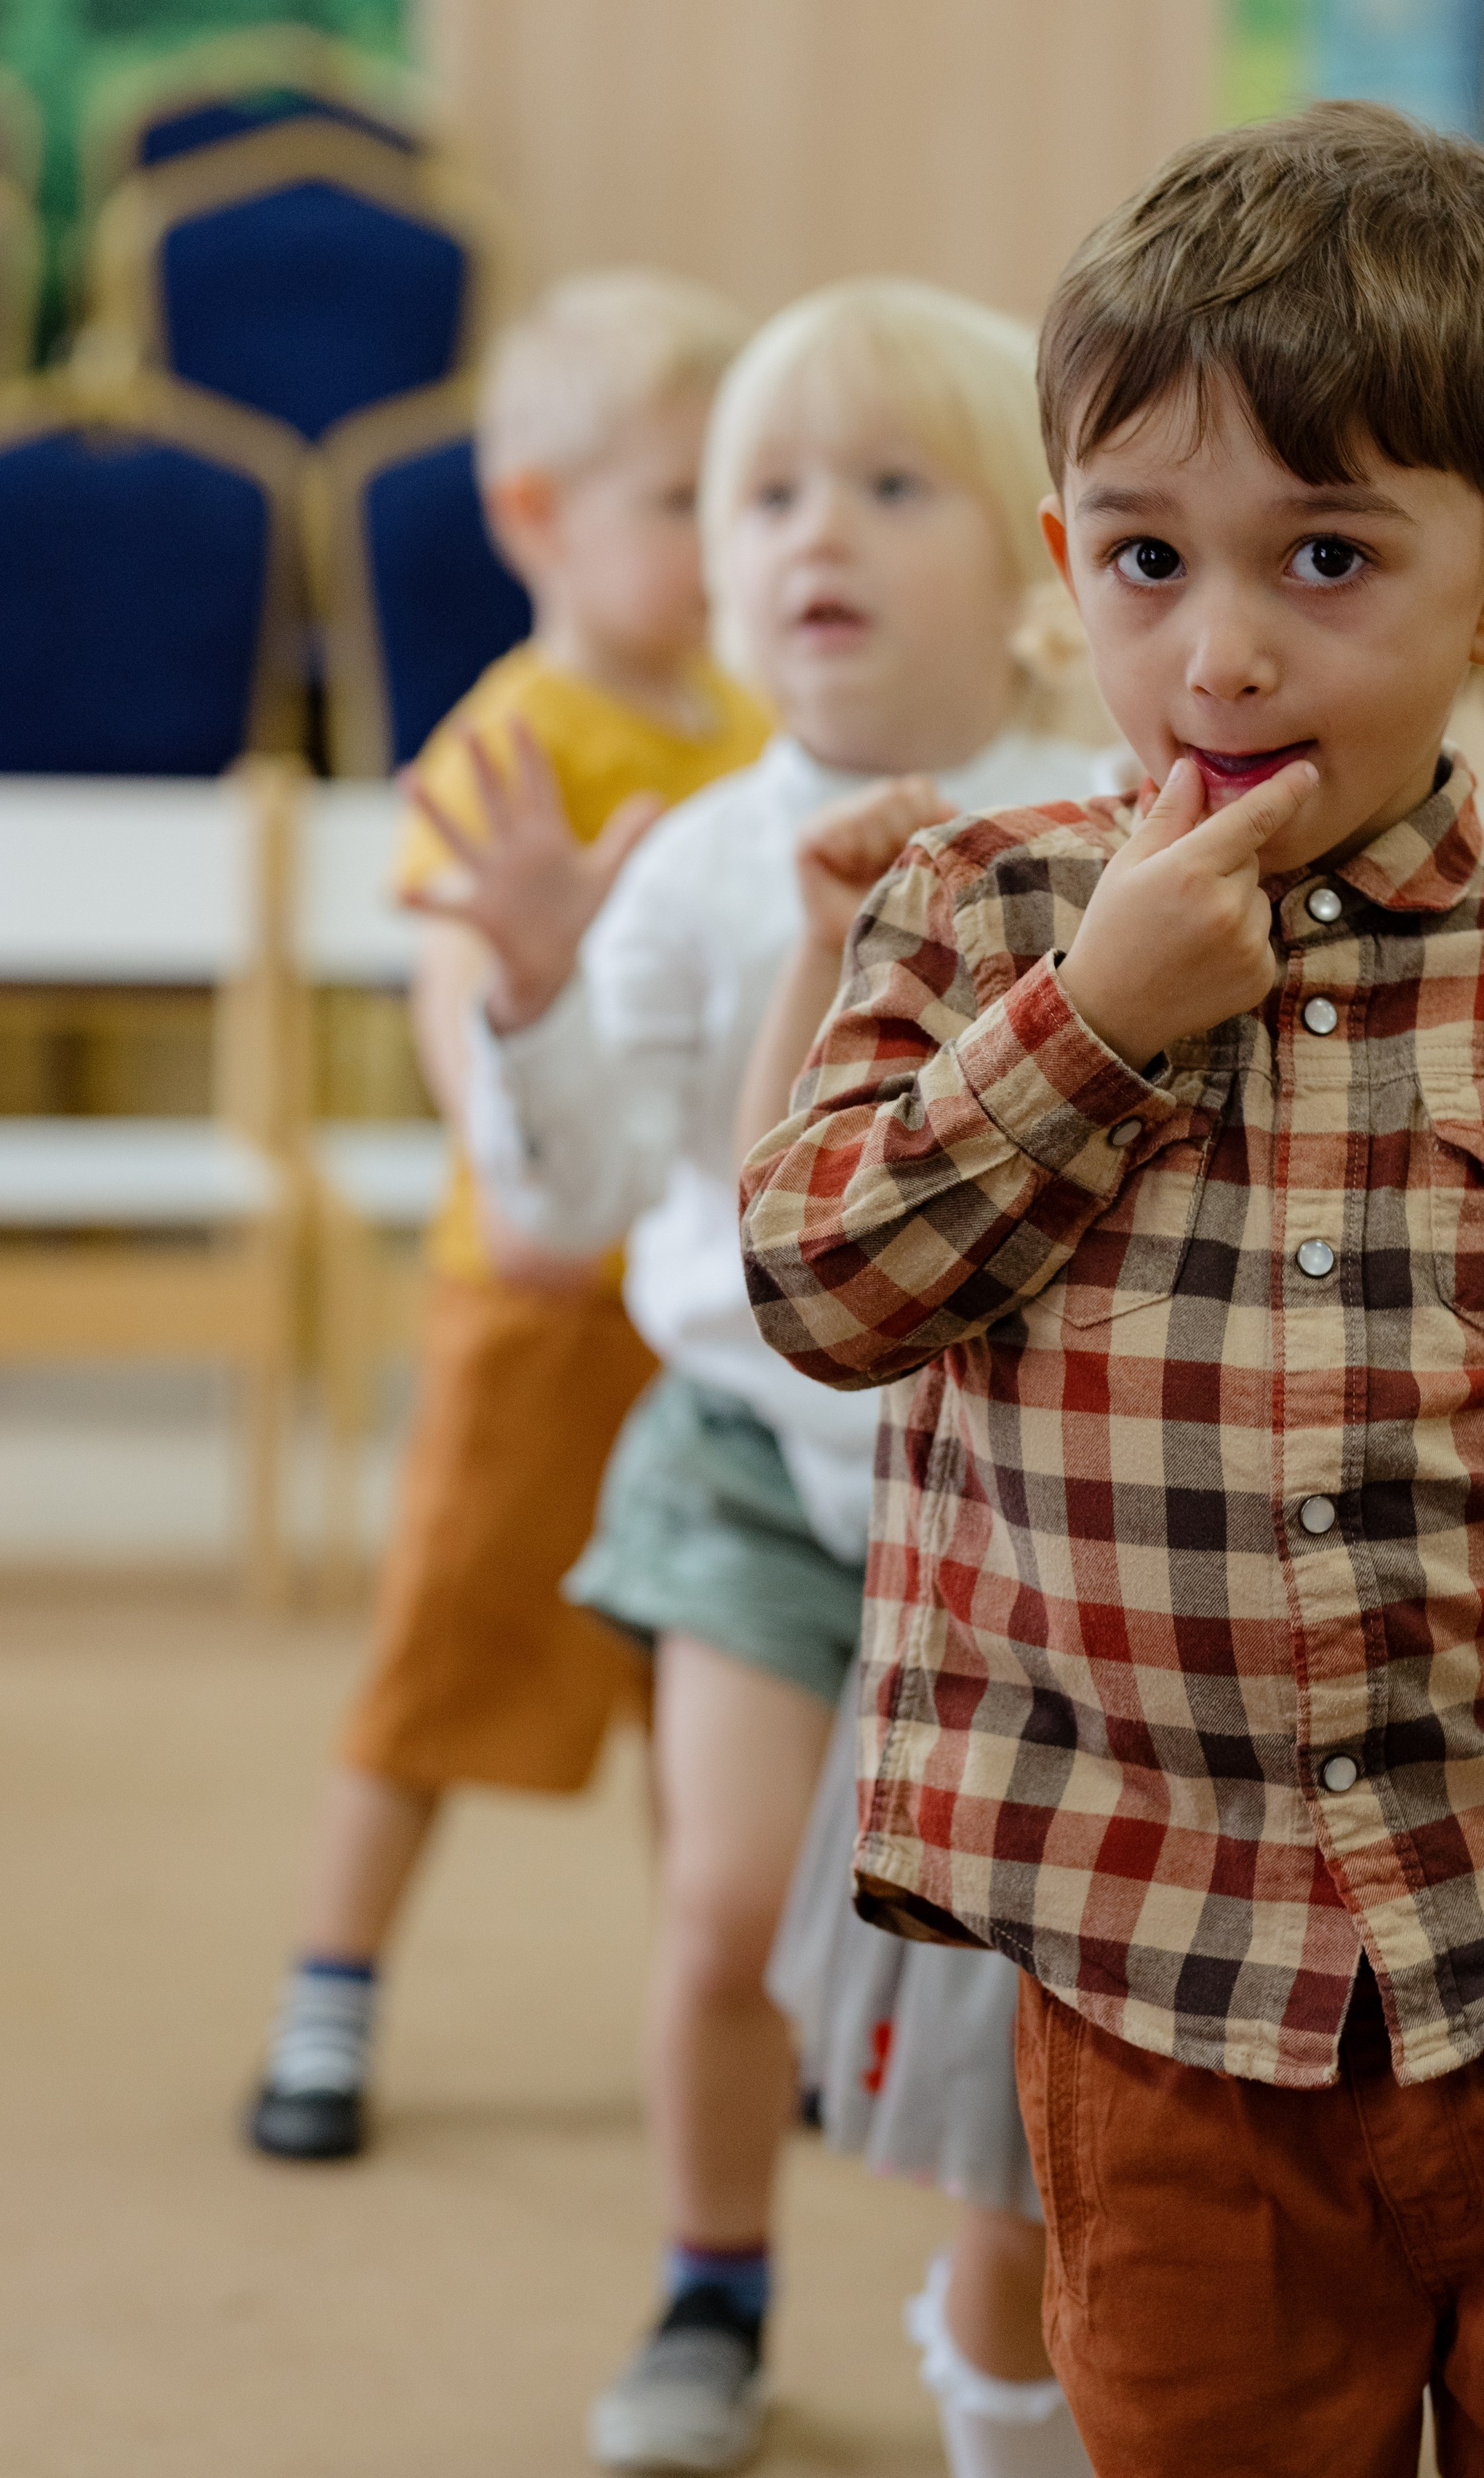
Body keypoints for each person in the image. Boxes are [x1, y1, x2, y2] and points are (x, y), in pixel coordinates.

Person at [740, 105, 1484, 2478]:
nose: (1218, 649)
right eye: (1144, 557)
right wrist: (1089, 1030)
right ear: (1071, 547)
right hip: (1159, 1978)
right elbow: (822, 1285)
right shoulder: (977, 913)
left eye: (1328, 557)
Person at [447, 281, 1107, 2478]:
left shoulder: (1090, 831)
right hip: (744, 1460)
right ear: (712, 572)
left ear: (1038, 558)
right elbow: (569, 1204)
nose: (818, 532)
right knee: (729, 1905)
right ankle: (713, 2281)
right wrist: (530, 998)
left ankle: (1019, 2359)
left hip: (1006, 1496)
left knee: (1003, 1980)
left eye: (889, 486)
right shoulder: (702, 863)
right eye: (766, 494)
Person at [248, 269, 768, 2163]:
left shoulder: (744, 730)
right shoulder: (512, 739)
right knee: (443, 1652)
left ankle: (729, 1994)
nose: (725, 542)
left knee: (711, 1665)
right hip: (541, 1299)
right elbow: (458, 985)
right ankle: (332, 1992)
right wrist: (518, 1149)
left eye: (743, 498)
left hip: (705, 1305)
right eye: (680, 500)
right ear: (538, 512)